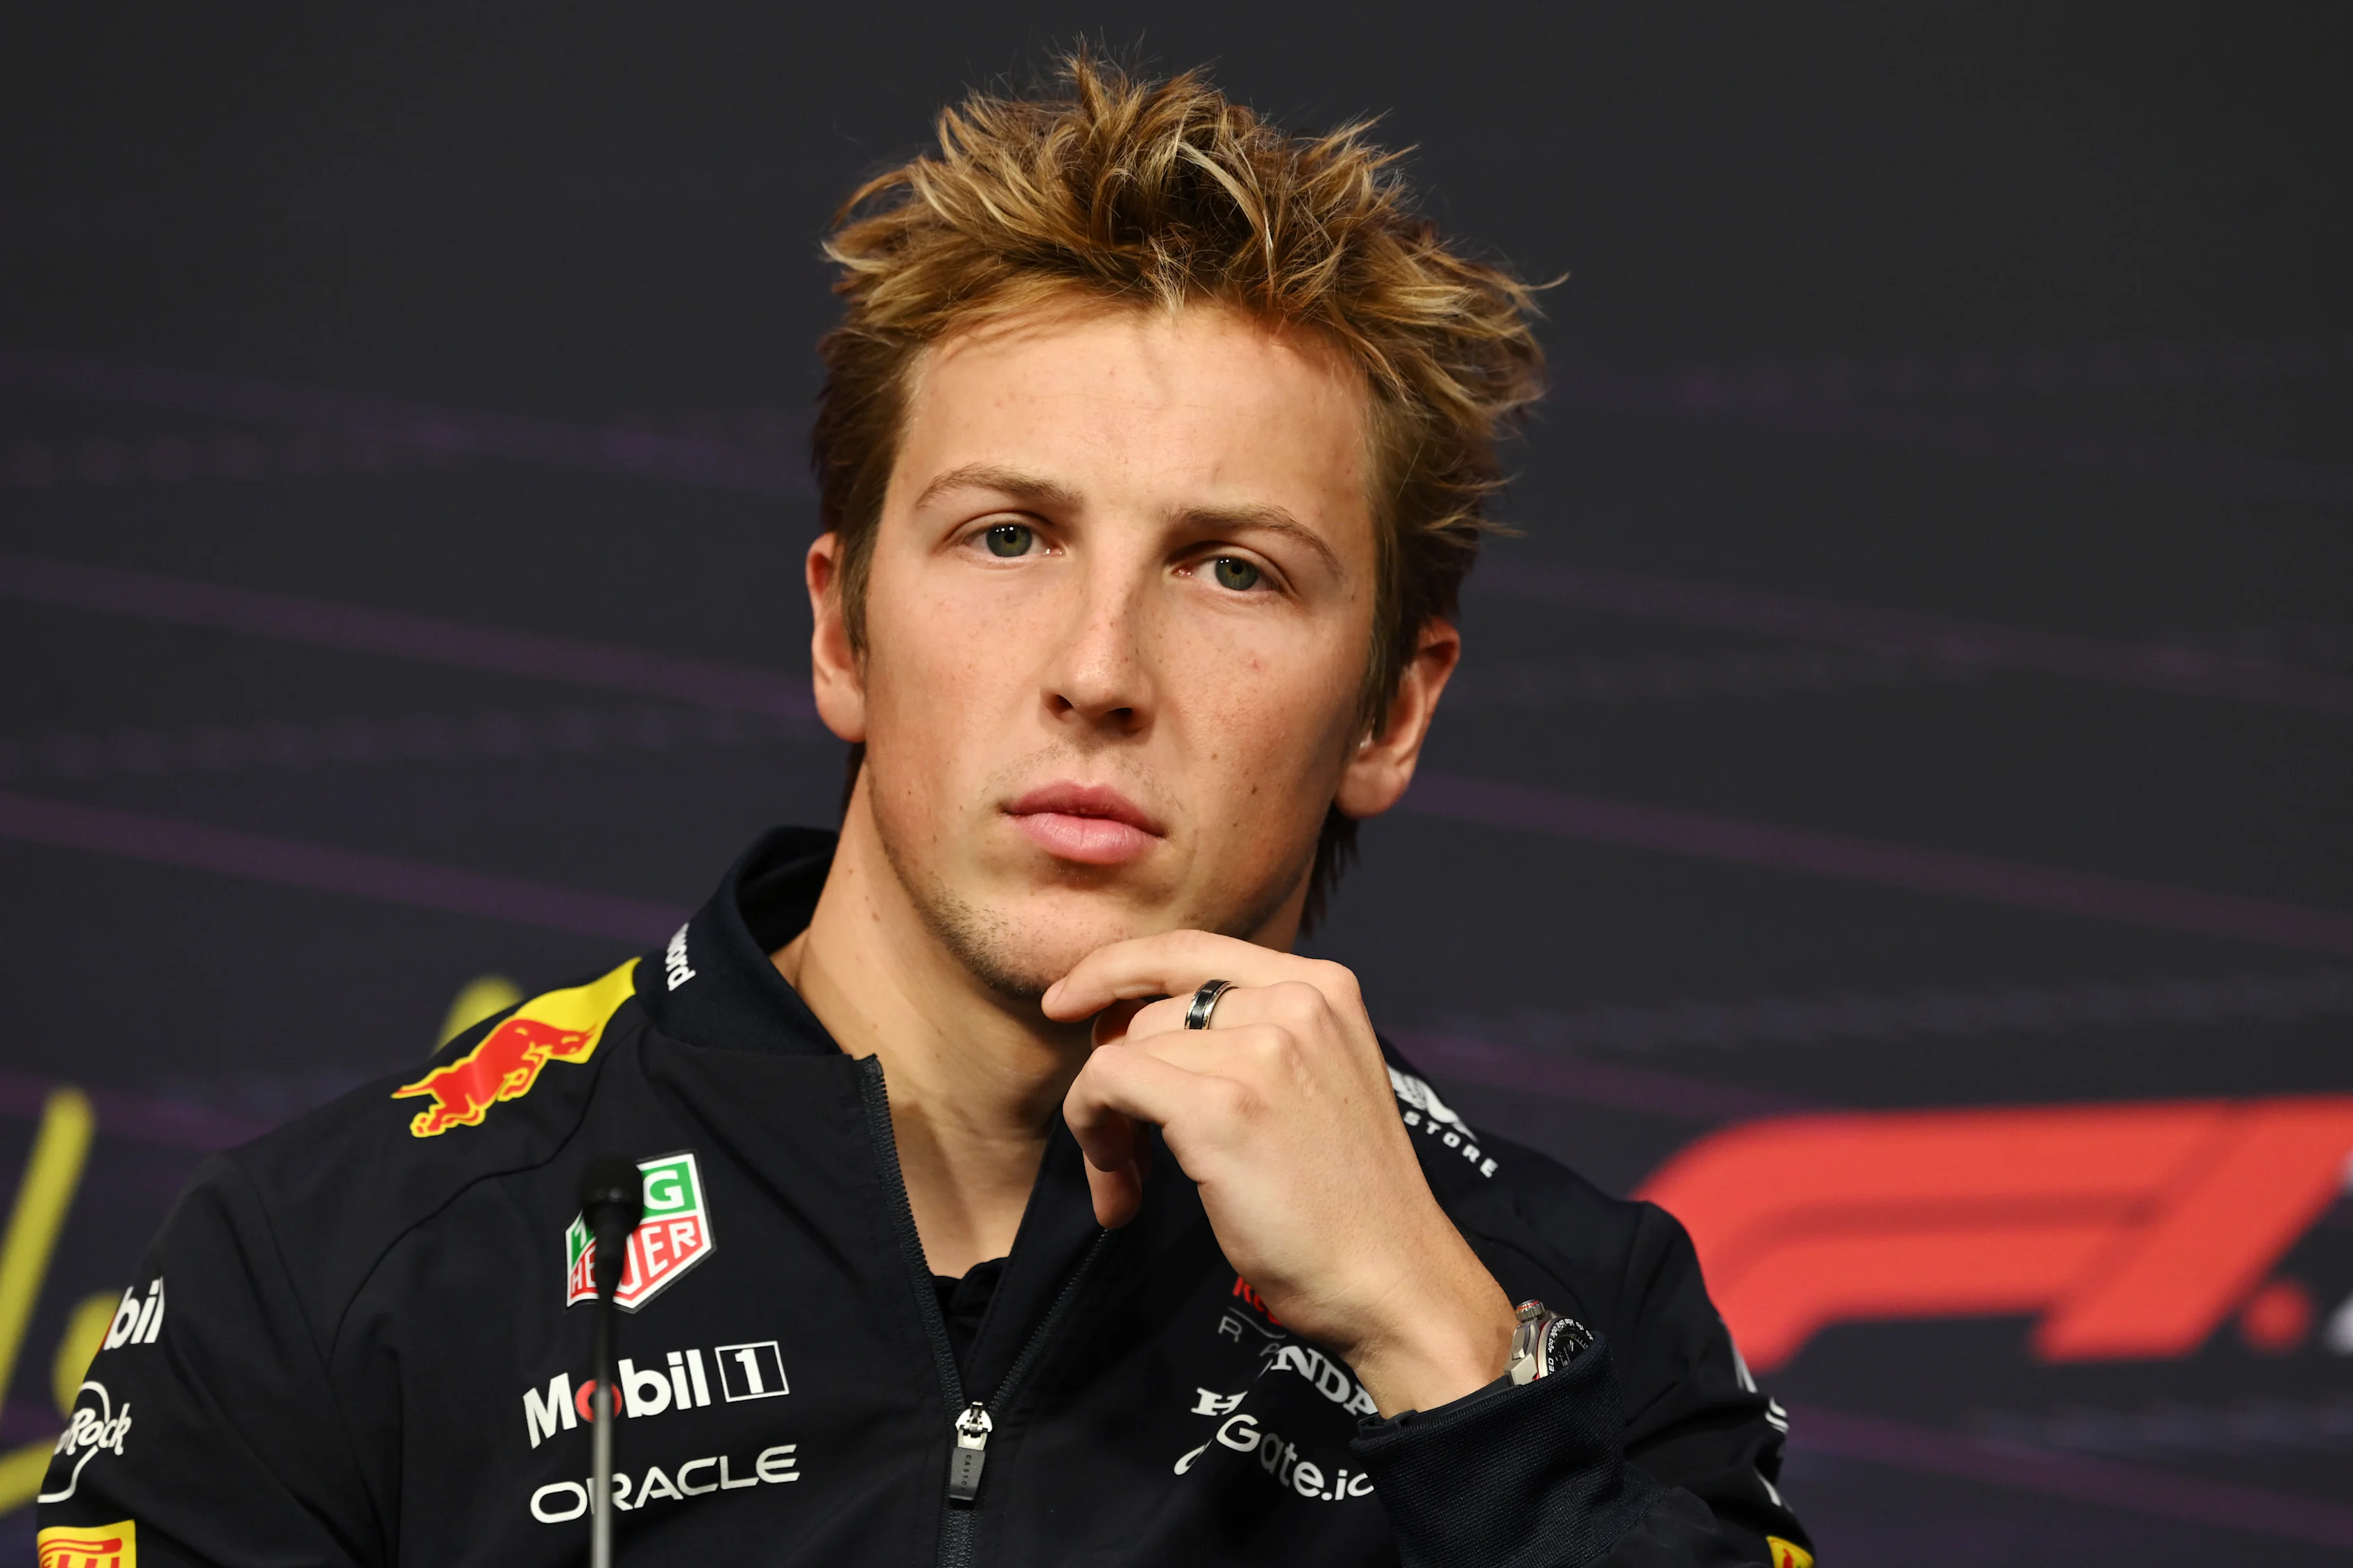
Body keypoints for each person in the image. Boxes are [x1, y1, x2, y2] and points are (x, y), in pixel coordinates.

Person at [37, 53, 1813, 1568]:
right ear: (840, 626)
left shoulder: (1575, 1309)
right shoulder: (346, 1262)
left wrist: (1443, 1352)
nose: (1099, 665)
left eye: (1231, 569)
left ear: (1393, 708)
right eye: (1007, 536)